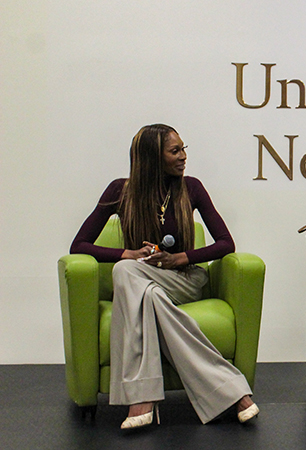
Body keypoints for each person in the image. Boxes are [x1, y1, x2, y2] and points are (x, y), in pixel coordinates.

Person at [70, 124, 259, 429]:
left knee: (126, 274)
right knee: (140, 284)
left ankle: (141, 399)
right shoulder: (120, 190)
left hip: (184, 279)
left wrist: (179, 258)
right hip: (143, 280)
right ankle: (233, 392)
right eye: (175, 151)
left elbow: (226, 243)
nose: (183, 156)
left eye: (184, 149)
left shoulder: (192, 188)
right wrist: (127, 254)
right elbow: (79, 245)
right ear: (151, 157)